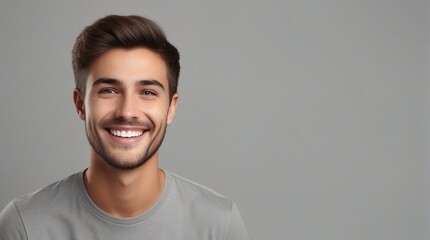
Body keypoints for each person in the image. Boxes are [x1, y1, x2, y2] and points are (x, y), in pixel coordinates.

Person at [0, 15, 249, 240]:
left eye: (148, 92)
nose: (127, 111)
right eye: (108, 90)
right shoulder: (25, 225)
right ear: (80, 104)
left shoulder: (218, 224)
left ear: (171, 108)